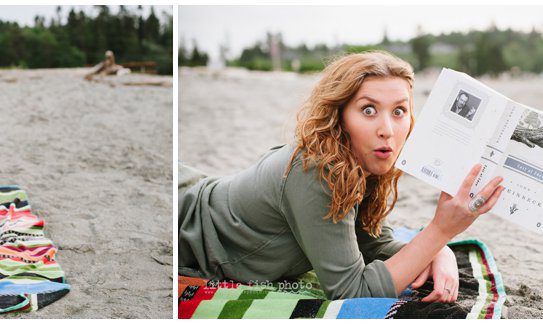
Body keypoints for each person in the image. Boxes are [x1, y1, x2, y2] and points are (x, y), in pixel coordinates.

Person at [178, 51, 504, 302]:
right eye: (368, 109)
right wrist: (439, 230)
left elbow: (371, 240)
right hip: (183, 222)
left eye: (399, 111)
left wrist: (439, 248)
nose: (387, 130)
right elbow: (351, 293)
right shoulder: (318, 170)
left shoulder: (361, 159)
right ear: (338, 116)